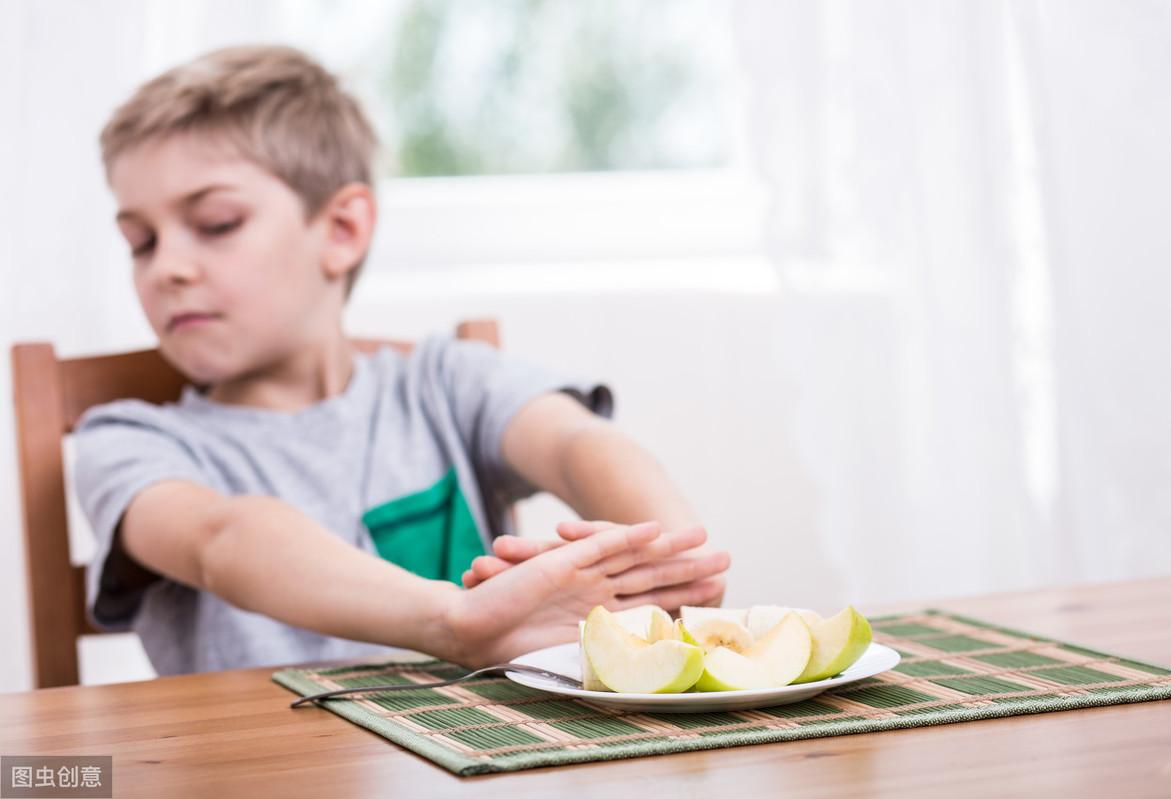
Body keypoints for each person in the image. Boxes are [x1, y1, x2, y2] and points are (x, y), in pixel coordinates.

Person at [73, 44, 729, 676]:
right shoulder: (125, 442)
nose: (168, 269)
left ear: (342, 231)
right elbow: (223, 539)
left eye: (215, 223)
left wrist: (670, 571)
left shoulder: (448, 380)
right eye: (141, 242)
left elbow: (576, 444)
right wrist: (455, 619)